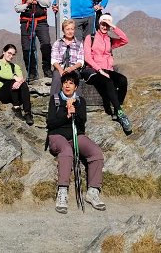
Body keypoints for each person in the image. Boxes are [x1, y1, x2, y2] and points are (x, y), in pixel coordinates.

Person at [46, 71, 106, 214]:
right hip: (57, 135)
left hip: (75, 135)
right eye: (65, 82)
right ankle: (62, 192)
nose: (67, 85)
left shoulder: (81, 101)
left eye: (71, 83)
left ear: (76, 87)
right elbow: (51, 123)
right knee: (66, 151)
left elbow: (81, 123)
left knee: (96, 153)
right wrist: (66, 115)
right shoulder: (54, 99)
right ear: (61, 85)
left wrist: (75, 111)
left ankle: (93, 191)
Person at [83, 13, 132, 136]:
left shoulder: (110, 40)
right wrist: (99, 70)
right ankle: (120, 113)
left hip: (107, 69)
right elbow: (87, 57)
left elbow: (125, 40)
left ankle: (116, 108)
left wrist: (113, 26)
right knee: (108, 81)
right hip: (93, 70)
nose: (105, 27)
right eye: (103, 23)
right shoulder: (91, 37)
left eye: (107, 25)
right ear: (99, 24)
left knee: (123, 80)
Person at [14, 0, 53, 80]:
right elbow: (16, 8)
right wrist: (27, 3)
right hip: (26, 22)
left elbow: (48, 3)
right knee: (27, 48)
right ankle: (31, 74)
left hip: (41, 21)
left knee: (46, 45)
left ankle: (47, 70)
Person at [0, 44, 34, 126]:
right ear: (3, 52)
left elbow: (21, 78)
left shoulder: (15, 67)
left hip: (13, 93)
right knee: (11, 82)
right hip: (0, 94)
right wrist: (14, 78)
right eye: (9, 53)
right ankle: (17, 108)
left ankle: (27, 113)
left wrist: (19, 81)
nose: (11, 56)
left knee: (23, 84)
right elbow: (3, 75)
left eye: (13, 54)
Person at [50, 19, 84, 95]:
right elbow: (54, 60)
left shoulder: (79, 44)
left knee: (75, 79)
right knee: (57, 79)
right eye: (67, 29)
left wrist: (72, 68)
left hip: (73, 68)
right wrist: (61, 70)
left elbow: (81, 61)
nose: (70, 31)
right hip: (60, 68)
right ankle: (55, 102)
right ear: (63, 30)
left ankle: (77, 103)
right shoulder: (57, 43)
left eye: (72, 29)